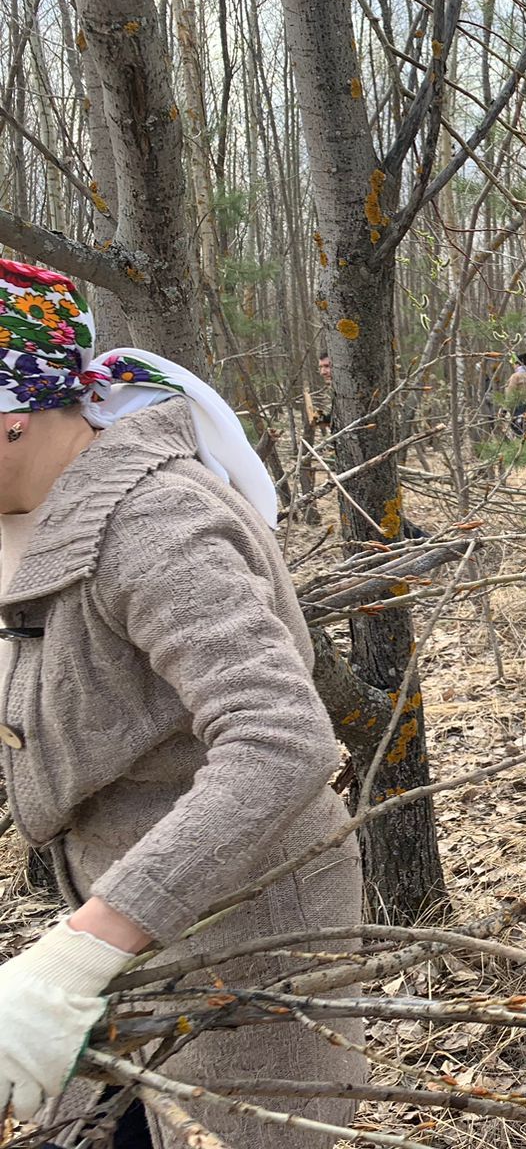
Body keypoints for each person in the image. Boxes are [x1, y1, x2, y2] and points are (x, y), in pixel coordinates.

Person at [0, 259, 364, 1146]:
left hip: (245, 932)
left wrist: (77, 955)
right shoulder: (25, 506)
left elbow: (279, 739)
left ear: (12, 418)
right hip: (128, 934)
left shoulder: (153, 523)